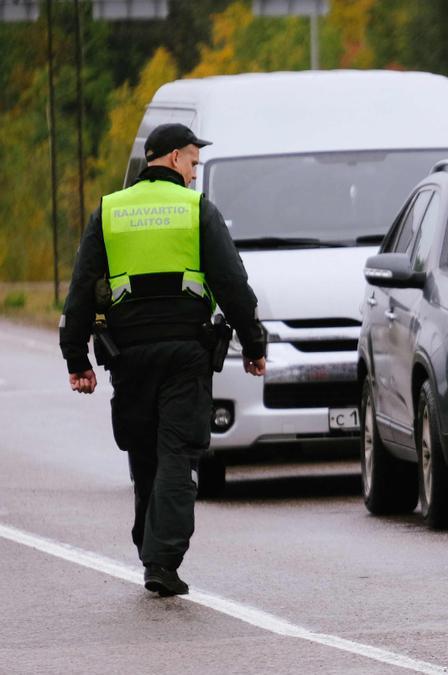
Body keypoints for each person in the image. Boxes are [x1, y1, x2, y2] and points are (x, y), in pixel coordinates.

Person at [59, 123, 267, 597]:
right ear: (173, 159)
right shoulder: (196, 210)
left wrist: (77, 358)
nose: (195, 174)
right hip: (185, 355)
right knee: (179, 452)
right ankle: (162, 558)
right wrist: (254, 346)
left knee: (145, 452)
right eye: (194, 163)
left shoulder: (110, 211)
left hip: (128, 356)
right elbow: (233, 285)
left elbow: (80, 287)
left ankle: (149, 546)